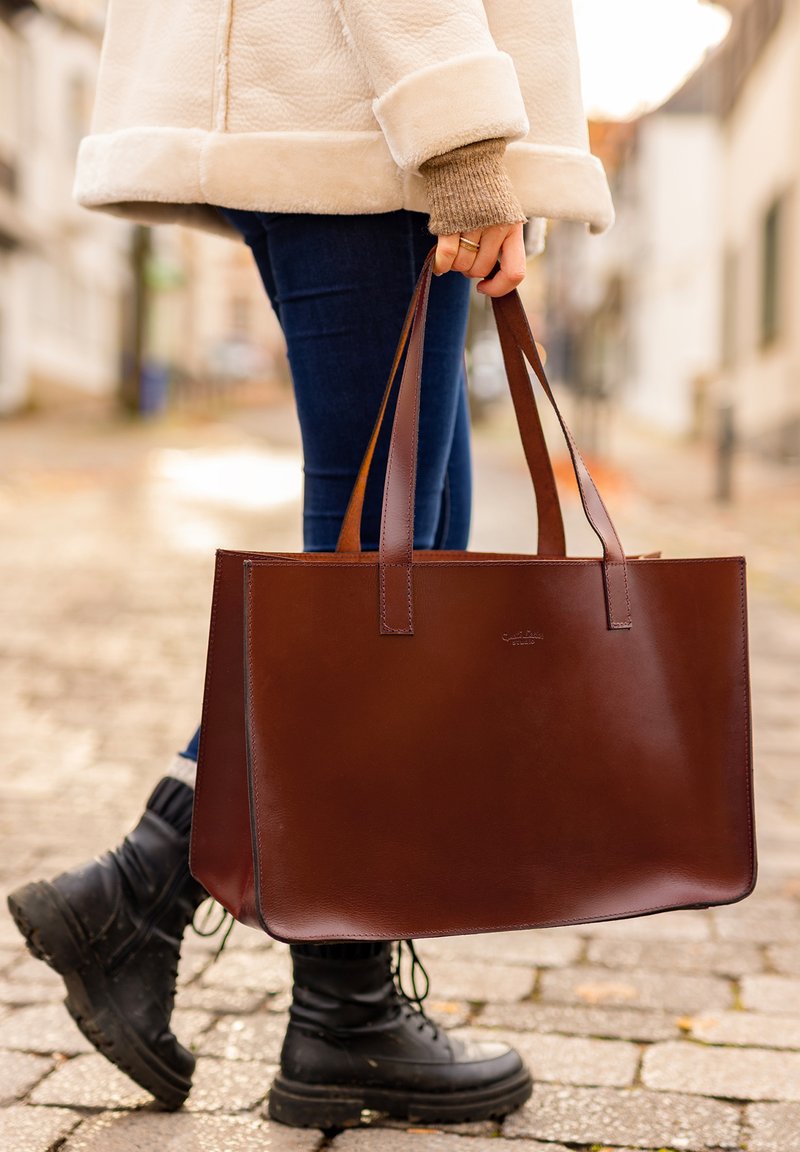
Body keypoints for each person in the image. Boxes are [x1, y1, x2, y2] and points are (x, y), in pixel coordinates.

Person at [7, 0, 613, 1130]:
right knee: (370, 585)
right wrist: (465, 146)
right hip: (364, 123)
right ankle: (294, 984)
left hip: (360, 117)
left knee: (408, 564)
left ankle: (227, 937)